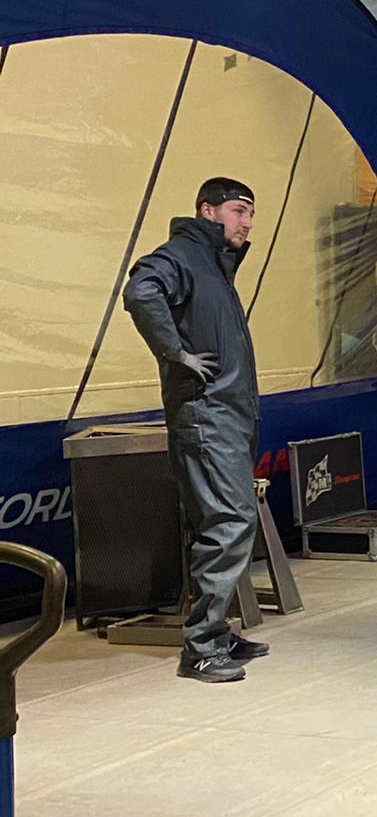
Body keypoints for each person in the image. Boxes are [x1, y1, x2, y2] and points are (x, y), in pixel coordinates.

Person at [123, 177, 271, 684]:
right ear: (207, 211)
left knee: (223, 524)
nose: (247, 222)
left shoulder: (213, 264)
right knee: (229, 522)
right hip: (207, 416)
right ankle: (202, 649)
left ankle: (216, 631)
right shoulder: (184, 255)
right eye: (238, 210)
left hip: (229, 414)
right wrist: (175, 352)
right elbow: (140, 290)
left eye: (251, 213)